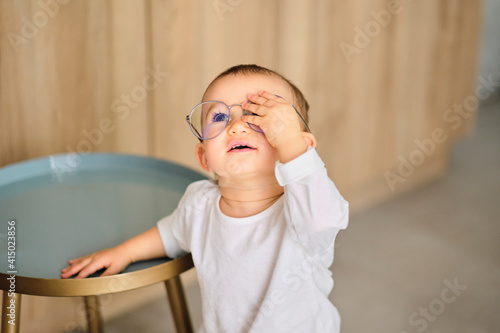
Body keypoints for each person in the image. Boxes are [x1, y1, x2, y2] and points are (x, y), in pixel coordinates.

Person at [61, 64, 349, 332]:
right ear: (204, 158)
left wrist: (290, 144)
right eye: (220, 117)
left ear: (303, 148)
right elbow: (171, 233)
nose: (237, 126)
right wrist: (124, 252)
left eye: (261, 116)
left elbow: (322, 219)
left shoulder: (305, 210)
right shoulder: (200, 203)